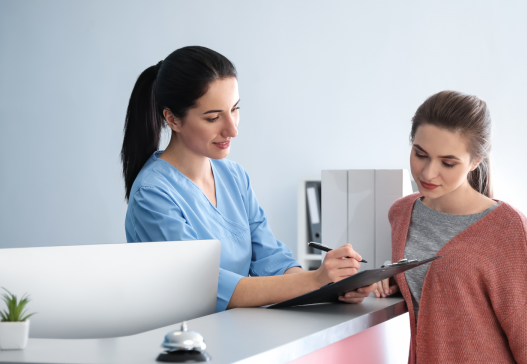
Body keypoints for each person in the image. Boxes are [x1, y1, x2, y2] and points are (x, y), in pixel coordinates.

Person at [121, 46, 371, 312]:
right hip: (183, 345)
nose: (232, 129)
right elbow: (209, 287)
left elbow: (272, 261)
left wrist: (334, 286)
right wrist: (316, 279)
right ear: (172, 119)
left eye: (235, 109)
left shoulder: (234, 177)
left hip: (238, 336)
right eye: (214, 117)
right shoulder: (153, 193)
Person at [379, 91, 527, 364]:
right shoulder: (401, 213)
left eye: (448, 162)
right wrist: (388, 276)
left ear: (475, 161)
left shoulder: (508, 229)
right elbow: (442, 295)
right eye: (420, 154)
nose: (427, 172)